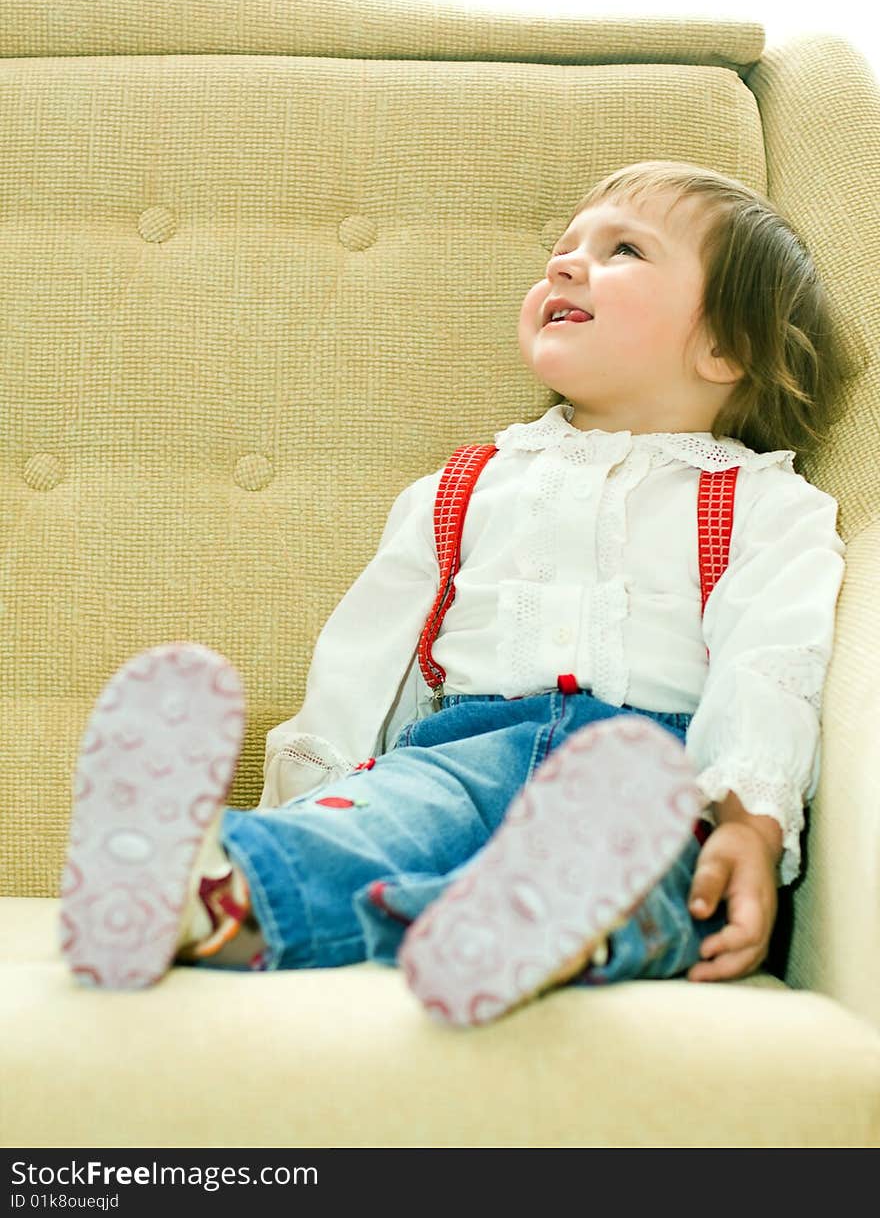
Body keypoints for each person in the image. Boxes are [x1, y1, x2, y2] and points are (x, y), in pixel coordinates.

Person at [59, 159, 862, 1026]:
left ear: (727, 346)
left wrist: (750, 820)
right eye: (562, 248)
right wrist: (316, 790)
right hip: (456, 755)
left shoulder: (771, 504)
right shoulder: (463, 485)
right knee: (371, 831)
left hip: (645, 780)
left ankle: (556, 925)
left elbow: (770, 663)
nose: (563, 264)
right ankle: (194, 889)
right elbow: (367, 660)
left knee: (655, 864)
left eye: (623, 249)